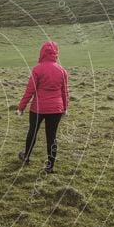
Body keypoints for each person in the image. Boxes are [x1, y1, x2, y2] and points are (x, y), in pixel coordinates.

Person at [17, 40, 69, 173]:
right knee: (52, 136)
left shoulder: (37, 69)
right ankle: (50, 166)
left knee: (32, 132)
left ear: (42, 53)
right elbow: (65, 91)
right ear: (56, 53)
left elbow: (30, 90)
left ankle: (26, 157)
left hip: (38, 108)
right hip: (56, 108)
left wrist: (21, 107)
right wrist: (65, 108)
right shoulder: (62, 70)